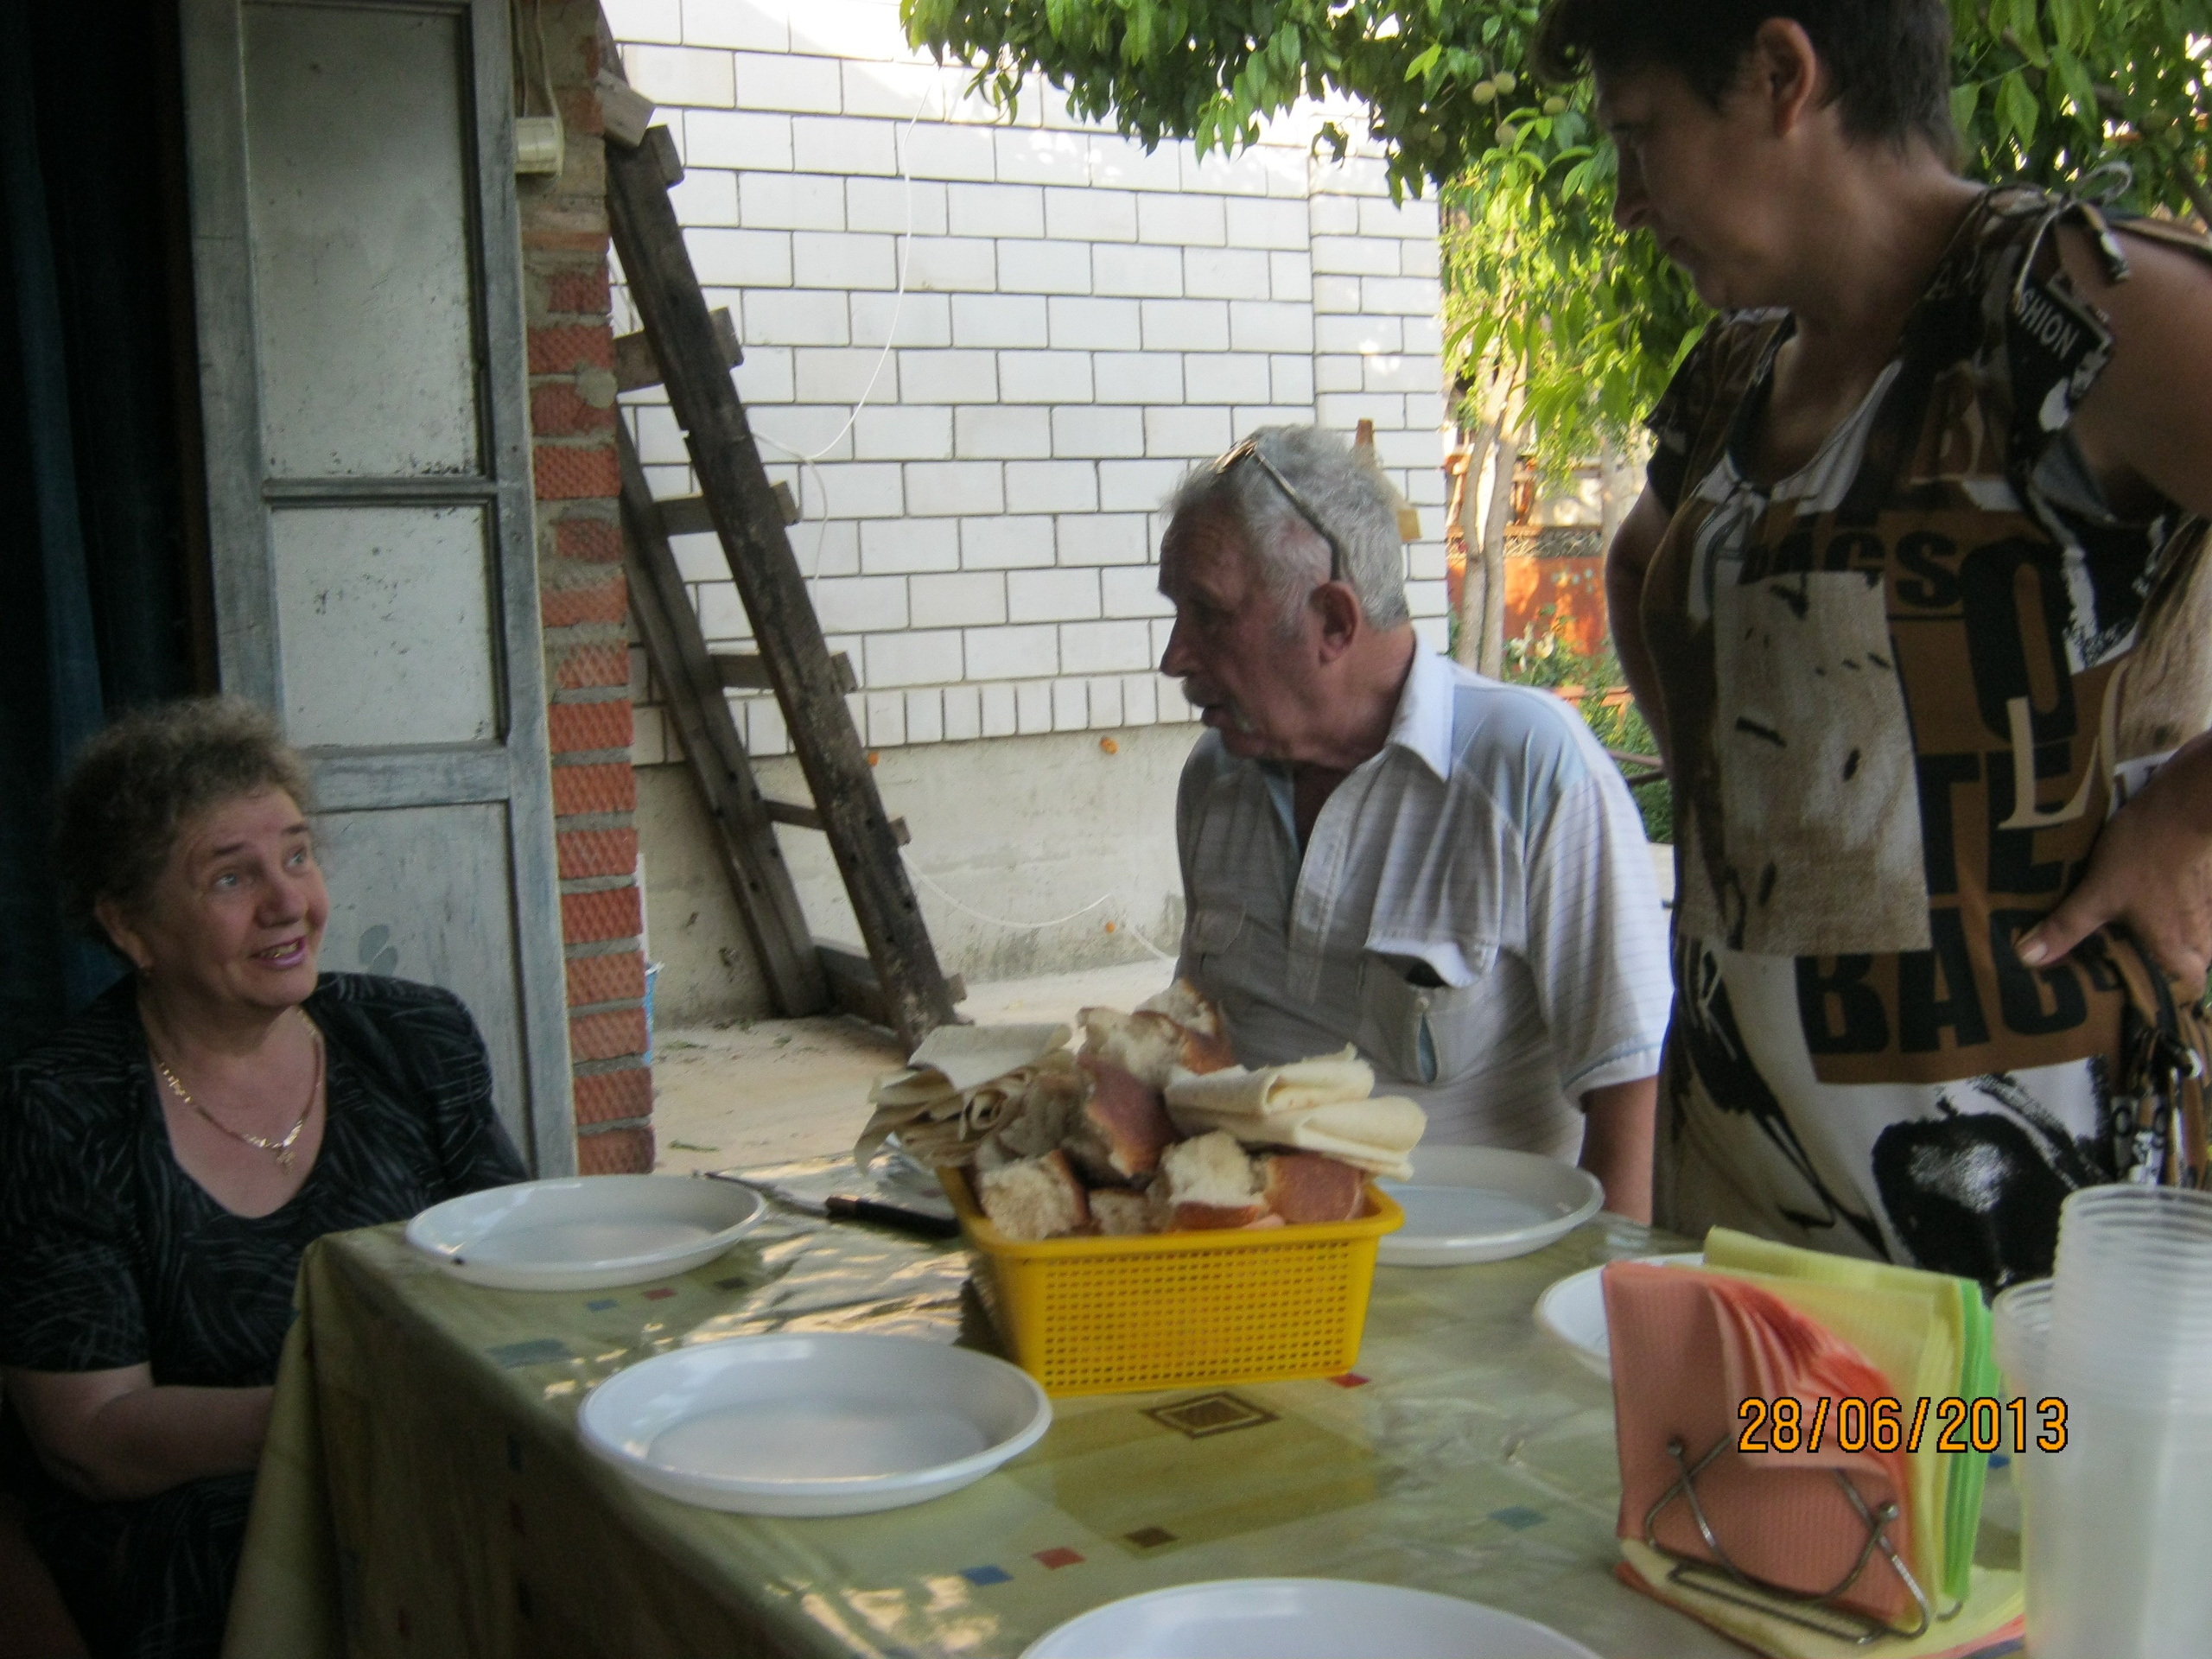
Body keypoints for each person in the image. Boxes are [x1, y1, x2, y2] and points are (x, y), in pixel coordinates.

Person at [1535, 0, 2212, 1284]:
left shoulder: (2066, 313)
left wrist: (2189, 813)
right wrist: (1743, 801)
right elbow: (1640, 565)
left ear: (1780, 75)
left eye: (1640, 134)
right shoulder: (1733, 374)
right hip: (1741, 1226)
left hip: (2025, 1253)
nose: (1625, 201)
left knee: (2001, 1433)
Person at [0, 698, 525, 1659]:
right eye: (231, 877)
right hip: (200, 1537)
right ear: (130, 927)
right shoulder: (60, 1109)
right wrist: (347, 1414)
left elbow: (523, 1269)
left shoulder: (414, 1038)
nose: (288, 904)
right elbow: (92, 1437)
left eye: (297, 856)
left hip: (429, 1472)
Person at [1158, 425, 1674, 1219]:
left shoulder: (1529, 766)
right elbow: (1201, 1038)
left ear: (1334, 622)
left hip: (1476, 1275)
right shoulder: (1216, 778)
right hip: (1256, 1264)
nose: (1176, 657)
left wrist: (1594, 1282)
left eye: (1209, 615)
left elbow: (1632, 1085)